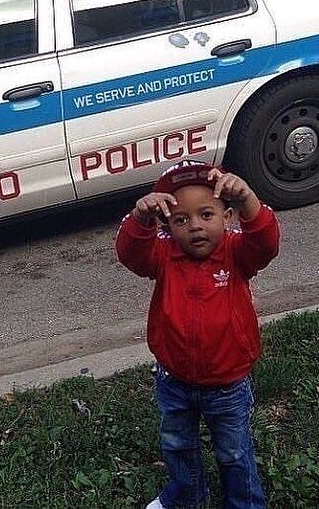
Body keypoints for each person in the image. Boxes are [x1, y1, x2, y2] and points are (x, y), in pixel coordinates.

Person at [115, 160, 280, 509]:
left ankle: (246, 504)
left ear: (228, 217)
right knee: (177, 445)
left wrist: (249, 197)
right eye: (181, 219)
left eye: (206, 214)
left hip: (228, 383)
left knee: (235, 452)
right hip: (174, 380)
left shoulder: (237, 253)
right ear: (167, 228)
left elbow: (266, 243)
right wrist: (139, 218)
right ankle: (187, 495)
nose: (195, 227)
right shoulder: (163, 256)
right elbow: (130, 254)